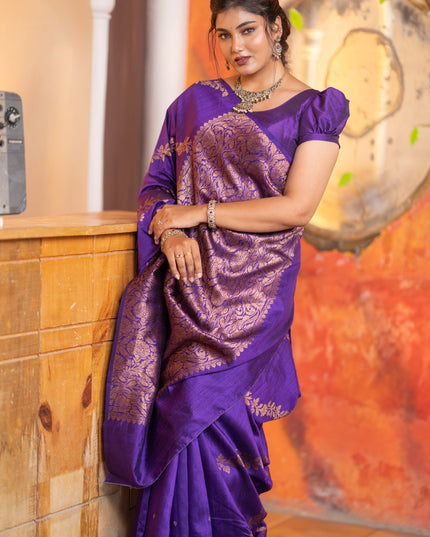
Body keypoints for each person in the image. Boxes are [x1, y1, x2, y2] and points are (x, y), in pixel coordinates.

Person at [103, 1, 349, 535]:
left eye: (248, 30)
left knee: (210, 417)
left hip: (254, 299)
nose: (236, 47)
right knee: (180, 422)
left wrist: (199, 214)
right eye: (223, 35)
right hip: (189, 290)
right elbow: (157, 189)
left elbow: (297, 208)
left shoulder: (314, 110)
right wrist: (171, 231)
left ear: (276, 28)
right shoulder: (194, 103)